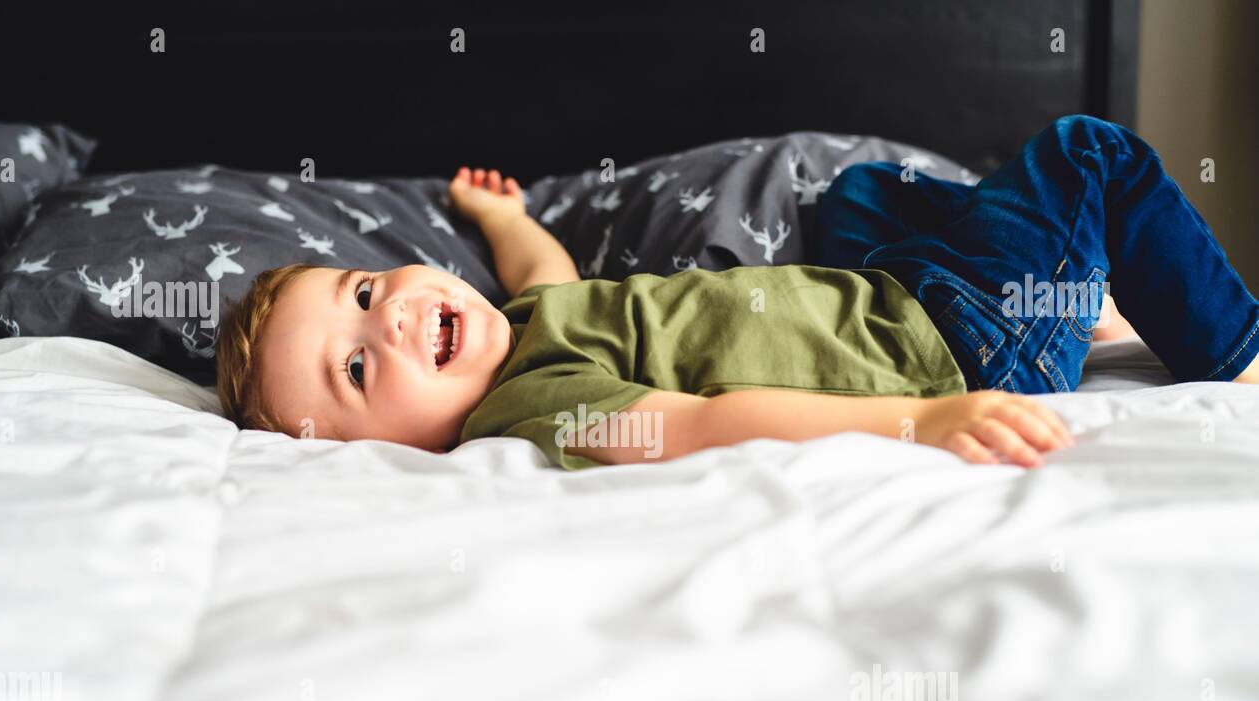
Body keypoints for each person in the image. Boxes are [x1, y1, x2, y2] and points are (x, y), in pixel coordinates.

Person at [215, 116, 1258, 469]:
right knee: (1090, 153)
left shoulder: (525, 334)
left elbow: (548, 277)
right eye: (356, 368)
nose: (386, 317)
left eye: (360, 289)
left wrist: (498, 216)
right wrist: (920, 421)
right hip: (952, 349)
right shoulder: (542, 408)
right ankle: (1236, 348)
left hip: (886, 293)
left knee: (853, 197)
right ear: (393, 449)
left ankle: (1074, 299)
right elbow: (706, 424)